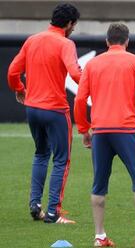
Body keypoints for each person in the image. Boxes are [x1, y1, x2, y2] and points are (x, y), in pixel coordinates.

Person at [74, 23, 135, 248]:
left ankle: (99, 237)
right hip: (127, 130)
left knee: (98, 185)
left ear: (106, 41)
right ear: (127, 41)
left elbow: (80, 100)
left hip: (100, 132)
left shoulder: (92, 64)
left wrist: (84, 130)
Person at [7, 3, 81, 224]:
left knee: (41, 154)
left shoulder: (32, 40)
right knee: (61, 160)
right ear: (69, 24)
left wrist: (20, 90)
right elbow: (76, 74)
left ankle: (35, 204)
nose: (73, 29)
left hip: (33, 108)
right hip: (55, 109)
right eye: (74, 25)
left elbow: (12, 72)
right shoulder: (66, 43)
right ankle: (53, 213)